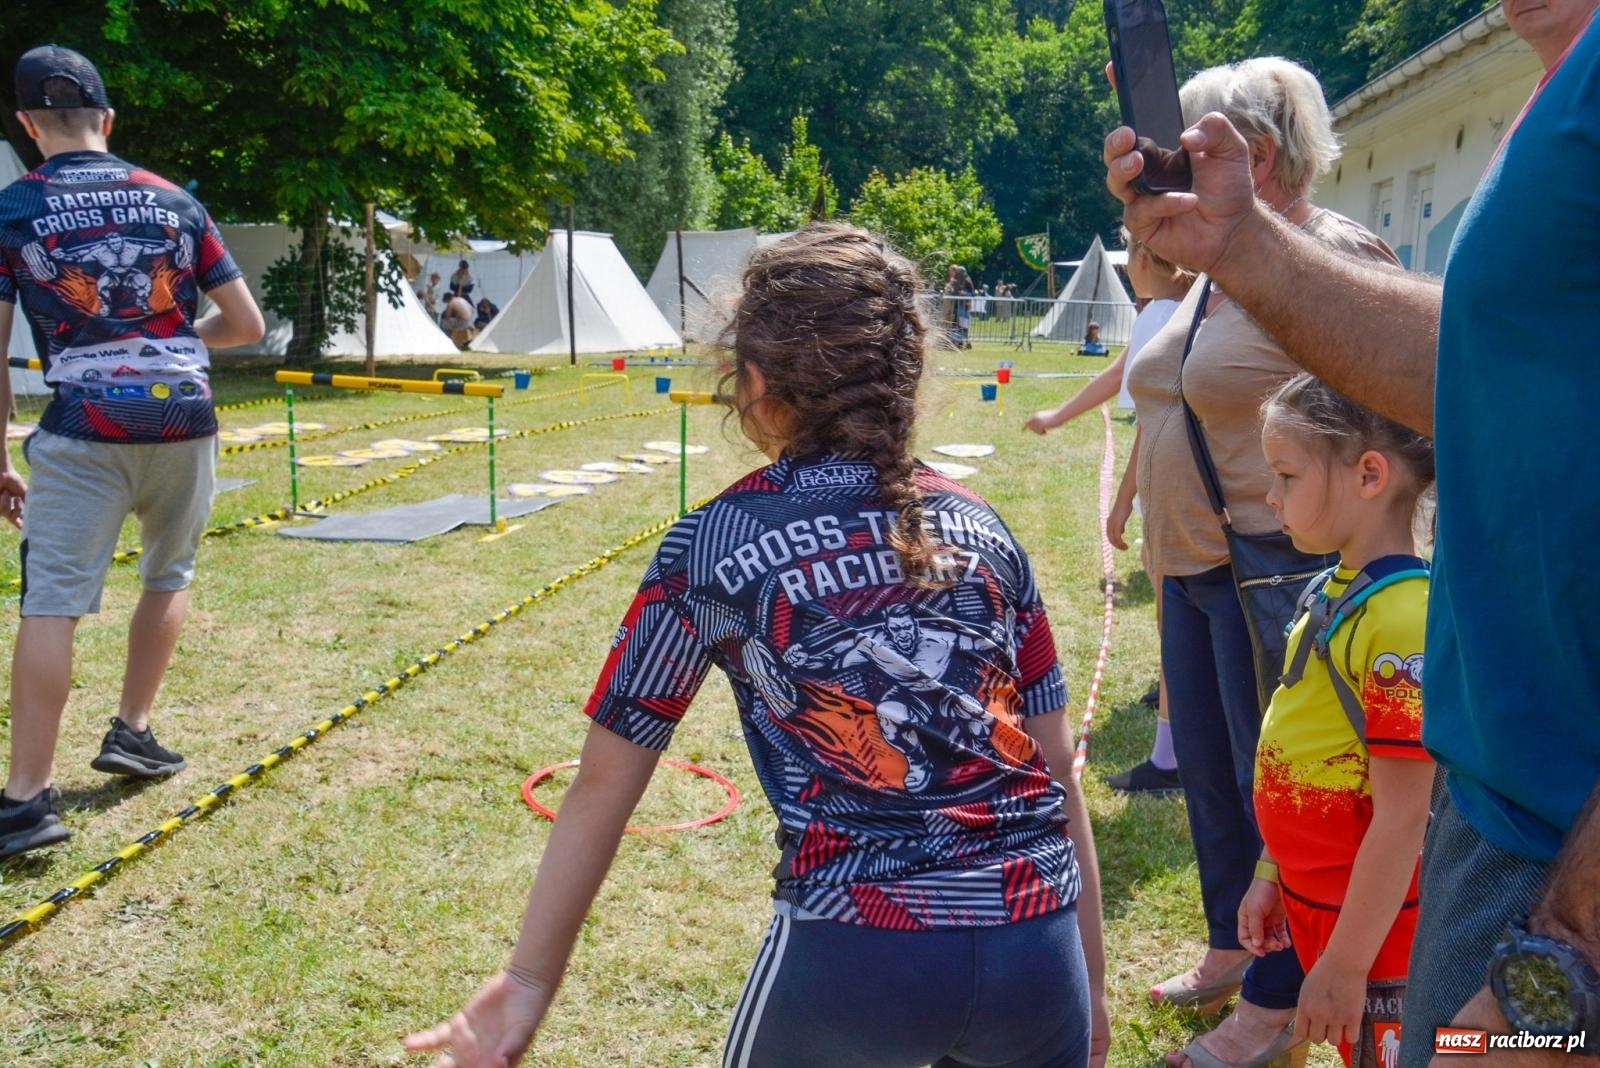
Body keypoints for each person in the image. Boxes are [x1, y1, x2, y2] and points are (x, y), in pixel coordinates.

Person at [403, 223, 1109, 1068]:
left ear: (757, 386)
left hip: (855, 951)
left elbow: (603, 782)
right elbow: (1057, 769)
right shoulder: (985, 529)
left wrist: (526, 981)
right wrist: (1090, 992)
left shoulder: (710, 543)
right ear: (906, 381)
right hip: (1038, 948)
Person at [1106, 5, 1600, 1065]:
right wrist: (1239, 246)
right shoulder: (1558, 88)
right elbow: (1480, 364)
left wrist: (1569, 955)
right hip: (1511, 817)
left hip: (1564, 876)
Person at [1118, 58, 1400, 1068]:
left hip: (1276, 566)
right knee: (1211, 776)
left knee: (1279, 786)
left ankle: (1277, 997)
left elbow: (1381, 423)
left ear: (1260, 155)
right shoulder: (1213, 264)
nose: (1169, 168)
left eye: (1186, 149)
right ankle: (1228, 950)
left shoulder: (1331, 254)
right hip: (1194, 565)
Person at [0, 45, 264, 858]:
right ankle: (133, 730)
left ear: (26, 125)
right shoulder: (174, 201)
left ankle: (24, 801)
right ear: (107, 120)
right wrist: (172, 345)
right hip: (184, 417)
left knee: (52, 601)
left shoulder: (14, 208)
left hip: (83, 427)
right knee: (168, 573)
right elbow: (246, 325)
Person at [1239, 374, 1435, 1068]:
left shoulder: (1402, 620)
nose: (1271, 495)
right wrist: (1272, 868)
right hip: (1314, 903)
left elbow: (1404, 820)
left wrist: (1349, 966)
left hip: (1383, 937)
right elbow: (1305, 735)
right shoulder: (1334, 589)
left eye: (1287, 474)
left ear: (1370, 475)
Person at [1025, 230, 1194, 797]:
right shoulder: (1188, 305)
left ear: (1144, 258)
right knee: (1178, 609)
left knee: (1175, 612)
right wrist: (1061, 413)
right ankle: (1176, 694)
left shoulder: (1160, 314)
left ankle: (1171, 759)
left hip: (1174, 490)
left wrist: (1125, 500)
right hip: (1189, 490)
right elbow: (1126, 373)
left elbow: (1151, 418)